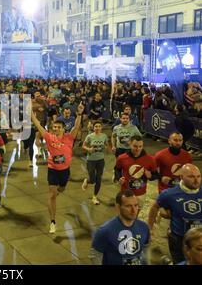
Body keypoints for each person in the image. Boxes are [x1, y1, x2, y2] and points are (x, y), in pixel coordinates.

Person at [31, 102, 84, 233]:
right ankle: (53, 222)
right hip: (53, 170)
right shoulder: (49, 137)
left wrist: (79, 114)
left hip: (65, 171)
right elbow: (38, 124)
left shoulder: (69, 138)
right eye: (54, 127)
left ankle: (58, 191)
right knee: (52, 195)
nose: (56, 128)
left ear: (63, 128)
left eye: (59, 127)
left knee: (62, 188)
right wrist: (31, 114)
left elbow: (77, 126)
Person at [148, 164, 202, 264]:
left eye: (198, 176)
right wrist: (150, 228)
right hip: (178, 239)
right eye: (191, 176)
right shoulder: (169, 194)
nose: (196, 180)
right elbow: (155, 207)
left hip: (199, 240)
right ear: (181, 177)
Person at [90, 190, 150, 265]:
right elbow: (95, 256)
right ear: (118, 207)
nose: (134, 210)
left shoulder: (144, 227)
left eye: (136, 205)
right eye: (128, 206)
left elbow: (145, 250)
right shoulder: (105, 231)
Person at [115, 136, 159, 220]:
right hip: (126, 192)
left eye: (140, 146)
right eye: (135, 146)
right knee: (123, 215)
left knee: (134, 215)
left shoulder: (150, 159)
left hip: (140, 193)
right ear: (130, 144)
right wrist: (119, 178)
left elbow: (156, 175)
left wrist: (151, 176)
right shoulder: (122, 158)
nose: (138, 149)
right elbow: (117, 169)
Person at [82, 121, 109, 205]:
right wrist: (89, 149)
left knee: (99, 179)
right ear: (93, 128)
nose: (97, 128)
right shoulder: (89, 136)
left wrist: (105, 147)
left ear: (101, 128)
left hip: (100, 160)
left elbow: (106, 145)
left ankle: (95, 197)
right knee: (92, 180)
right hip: (91, 160)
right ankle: (87, 180)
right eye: (96, 126)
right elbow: (84, 145)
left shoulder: (104, 136)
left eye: (99, 126)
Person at [111, 113, 142, 183]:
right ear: (120, 119)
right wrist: (113, 146)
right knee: (119, 165)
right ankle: (118, 177)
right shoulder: (116, 128)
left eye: (127, 118)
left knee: (129, 165)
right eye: (123, 118)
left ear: (129, 120)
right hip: (119, 149)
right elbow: (113, 136)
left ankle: (128, 179)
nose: (125, 120)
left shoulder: (134, 128)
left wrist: (132, 142)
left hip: (129, 150)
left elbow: (139, 138)